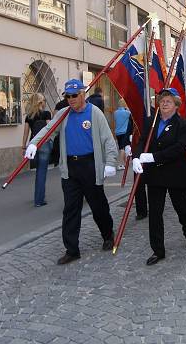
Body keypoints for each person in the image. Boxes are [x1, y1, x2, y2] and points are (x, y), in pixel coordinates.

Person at [25, 79, 117, 265]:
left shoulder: (95, 113)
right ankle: (72, 249)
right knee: (71, 209)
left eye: (74, 95)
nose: (71, 99)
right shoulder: (63, 114)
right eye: (68, 96)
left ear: (83, 95)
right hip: (71, 168)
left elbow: (107, 138)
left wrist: (111, 162)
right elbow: (48, 130)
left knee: (98, 206)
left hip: (90, 165)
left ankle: (108, 234)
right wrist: (33, 143)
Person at [132, 88, 186, 265]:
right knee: (155, 213)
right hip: (155, 175)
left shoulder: (183, 125)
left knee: (181, 208)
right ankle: (158, 250)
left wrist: (154, 156)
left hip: (175, 173)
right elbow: (142, 141)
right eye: (162, 100)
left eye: (168, 100)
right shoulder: (151, 121)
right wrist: (137, 157)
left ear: (176, 105)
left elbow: (179, 148)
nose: (164, 102)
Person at [22, 93, 52, 207]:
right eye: (44, 100)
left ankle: (37, 196)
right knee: (42, 172)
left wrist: (23, 146)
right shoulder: (46, 114)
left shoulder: (29, 116)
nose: (45, 102)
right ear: (40, 102)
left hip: (32, 145)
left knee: (38, 171)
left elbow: (25, 133)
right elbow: (49, 130)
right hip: (44, 144)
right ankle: (39, 199)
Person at [114, 99, 132, 170]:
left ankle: (124, 163)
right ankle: (120, 164)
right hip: (124, 132)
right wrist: (127, 108)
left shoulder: (115, 112)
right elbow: (132, 116)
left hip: (117, 132)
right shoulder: (127, 113)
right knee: (123, 148)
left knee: (121, 148)